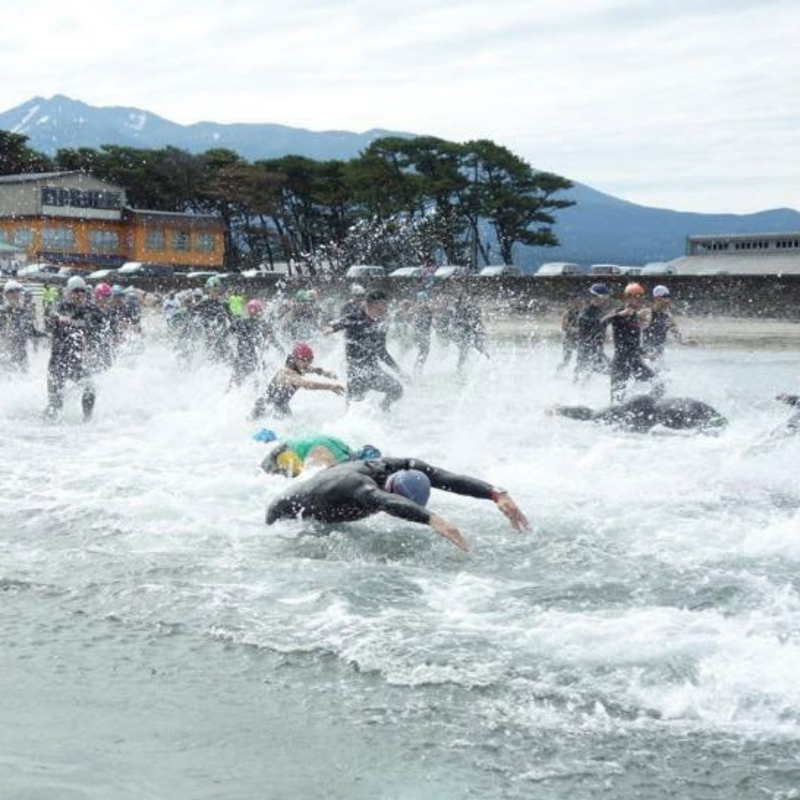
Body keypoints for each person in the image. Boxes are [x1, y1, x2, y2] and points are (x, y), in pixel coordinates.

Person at [265, 456, 530, 552]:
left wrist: (496, 494)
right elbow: (386, 501)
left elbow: (447, 478)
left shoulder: (397, 466)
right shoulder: (359, 485)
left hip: (317, 509)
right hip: (284, 519)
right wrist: (432, 519)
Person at [326, 289, 405, 412]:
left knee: (397, 390)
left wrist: (399, 371)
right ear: (371, 304)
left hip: (373, 371)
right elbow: (343, 323)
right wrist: (332, 328)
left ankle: (384, 407)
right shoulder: (355, 317)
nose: (385, 308)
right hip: (356, 373)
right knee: (353, 411)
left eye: (386, 304)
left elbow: (382, 352)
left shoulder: (380, 324)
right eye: (383, 304)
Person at [44, 275, 104, 421]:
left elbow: (97, 320)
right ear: (68, 292)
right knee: (56, 405)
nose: (79, 294)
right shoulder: (61, 305)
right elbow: (51, 312)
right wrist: (59, 317)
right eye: (75, 291)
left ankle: (87, 420)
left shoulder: (89, 308)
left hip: (76, 361)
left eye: (82, 291)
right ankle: (45, 429)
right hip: (57, 362)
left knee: (90, 388)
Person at [251, 341, 345, 419]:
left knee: (292, 428)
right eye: (304, 360)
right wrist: (331, 386)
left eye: (310, 360)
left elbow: (314, 370)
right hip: (265, 408)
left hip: (281, 407)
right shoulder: (285, 373)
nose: (307, 364)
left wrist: (326, 373)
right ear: (295, 359)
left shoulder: (300, 367)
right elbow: (307, 385)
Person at [602, 282, 661, 404]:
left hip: (635, 360)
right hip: (620, 361)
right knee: (617, 399)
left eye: (640, 297)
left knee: (657, 385)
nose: (637, 300)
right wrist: (620, 314)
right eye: (634, 297)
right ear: (626, 297)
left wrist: (647, 353)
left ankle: (648, 407)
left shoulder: (636, 316)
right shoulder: (618, 312)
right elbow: (602, 322)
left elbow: (632, 343)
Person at [547, 394, 728, 433]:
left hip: (649, 404)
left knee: (598, 415)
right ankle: (559, 409)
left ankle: (559, 409)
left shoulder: (681, 415)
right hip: (644, 406)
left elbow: (716, 421)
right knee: (600, 416)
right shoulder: (631, 409)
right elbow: (593, 414)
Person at [261, 433, 382, 477]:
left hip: (315, 447)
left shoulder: (281, 458)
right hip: (325, 441)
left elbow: (298, 474)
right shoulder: (281, 448)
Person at [228, 298, 280, 387]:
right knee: (256, 386)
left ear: (248, 311)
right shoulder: (264, 325)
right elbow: (274, 342)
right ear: (259, 312)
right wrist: (282, 351)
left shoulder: (239, 323)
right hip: (256, 362)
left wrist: (228, 351)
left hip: (241, 360)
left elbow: (225, 335)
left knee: (233, 385)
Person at [0, 279, 40, 373]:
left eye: (17, 291)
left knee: (23, 377)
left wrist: (36, 345)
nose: (15, 294)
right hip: (7, 352)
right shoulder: (2, 312)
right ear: (6, 295)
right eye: (11, 292)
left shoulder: (25, 311)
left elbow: (32, 331)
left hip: (22, 352)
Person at [574, 283, 611, 382]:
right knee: (582, 374)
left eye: (606, 298)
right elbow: (585, 323)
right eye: (604, 298)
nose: (605, 301)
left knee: (611, 370)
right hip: (586, 351)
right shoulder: (585, 312)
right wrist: (604, 320)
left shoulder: (599, 311)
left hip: (597, 351)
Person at [643, 285, 683, 362]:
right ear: (656, 299)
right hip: (645, 358)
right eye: (664, 297)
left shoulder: (669, 317)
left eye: (668, 297)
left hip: (658, 360)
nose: (667, 300)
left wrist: (688, 342)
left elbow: (679, 338)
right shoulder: (646, 313)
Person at [452, 291, 489, 370]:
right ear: (471, 299)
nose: (477, 300)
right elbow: (458, 321)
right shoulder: (465, 308)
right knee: (464, 351)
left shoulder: (478, 308)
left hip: (472, 332)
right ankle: (459, 367)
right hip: (464, 332)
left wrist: (482, 330)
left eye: (478, 299)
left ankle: (489, 362)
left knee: (479, 348)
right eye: (475, 299)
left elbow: (479, 321)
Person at [556, 295, 582, 373]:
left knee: (580, 360)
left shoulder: (581, 313)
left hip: (578, 340)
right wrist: (576, 330)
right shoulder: (567, 314)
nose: (577, 304)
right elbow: (564, 327)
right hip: (568, 340)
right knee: (566, 361)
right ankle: (558, 372)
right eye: (574, 303)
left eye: (578, 303)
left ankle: (576, 376)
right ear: (570, 304)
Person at [412, 290, 434, 372]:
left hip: (423, 333)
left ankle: (418, 368)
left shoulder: (420, 309)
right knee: (424, 351)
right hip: (422, 333)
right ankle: (418, 369)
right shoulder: (423, 309)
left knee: (424, 351)